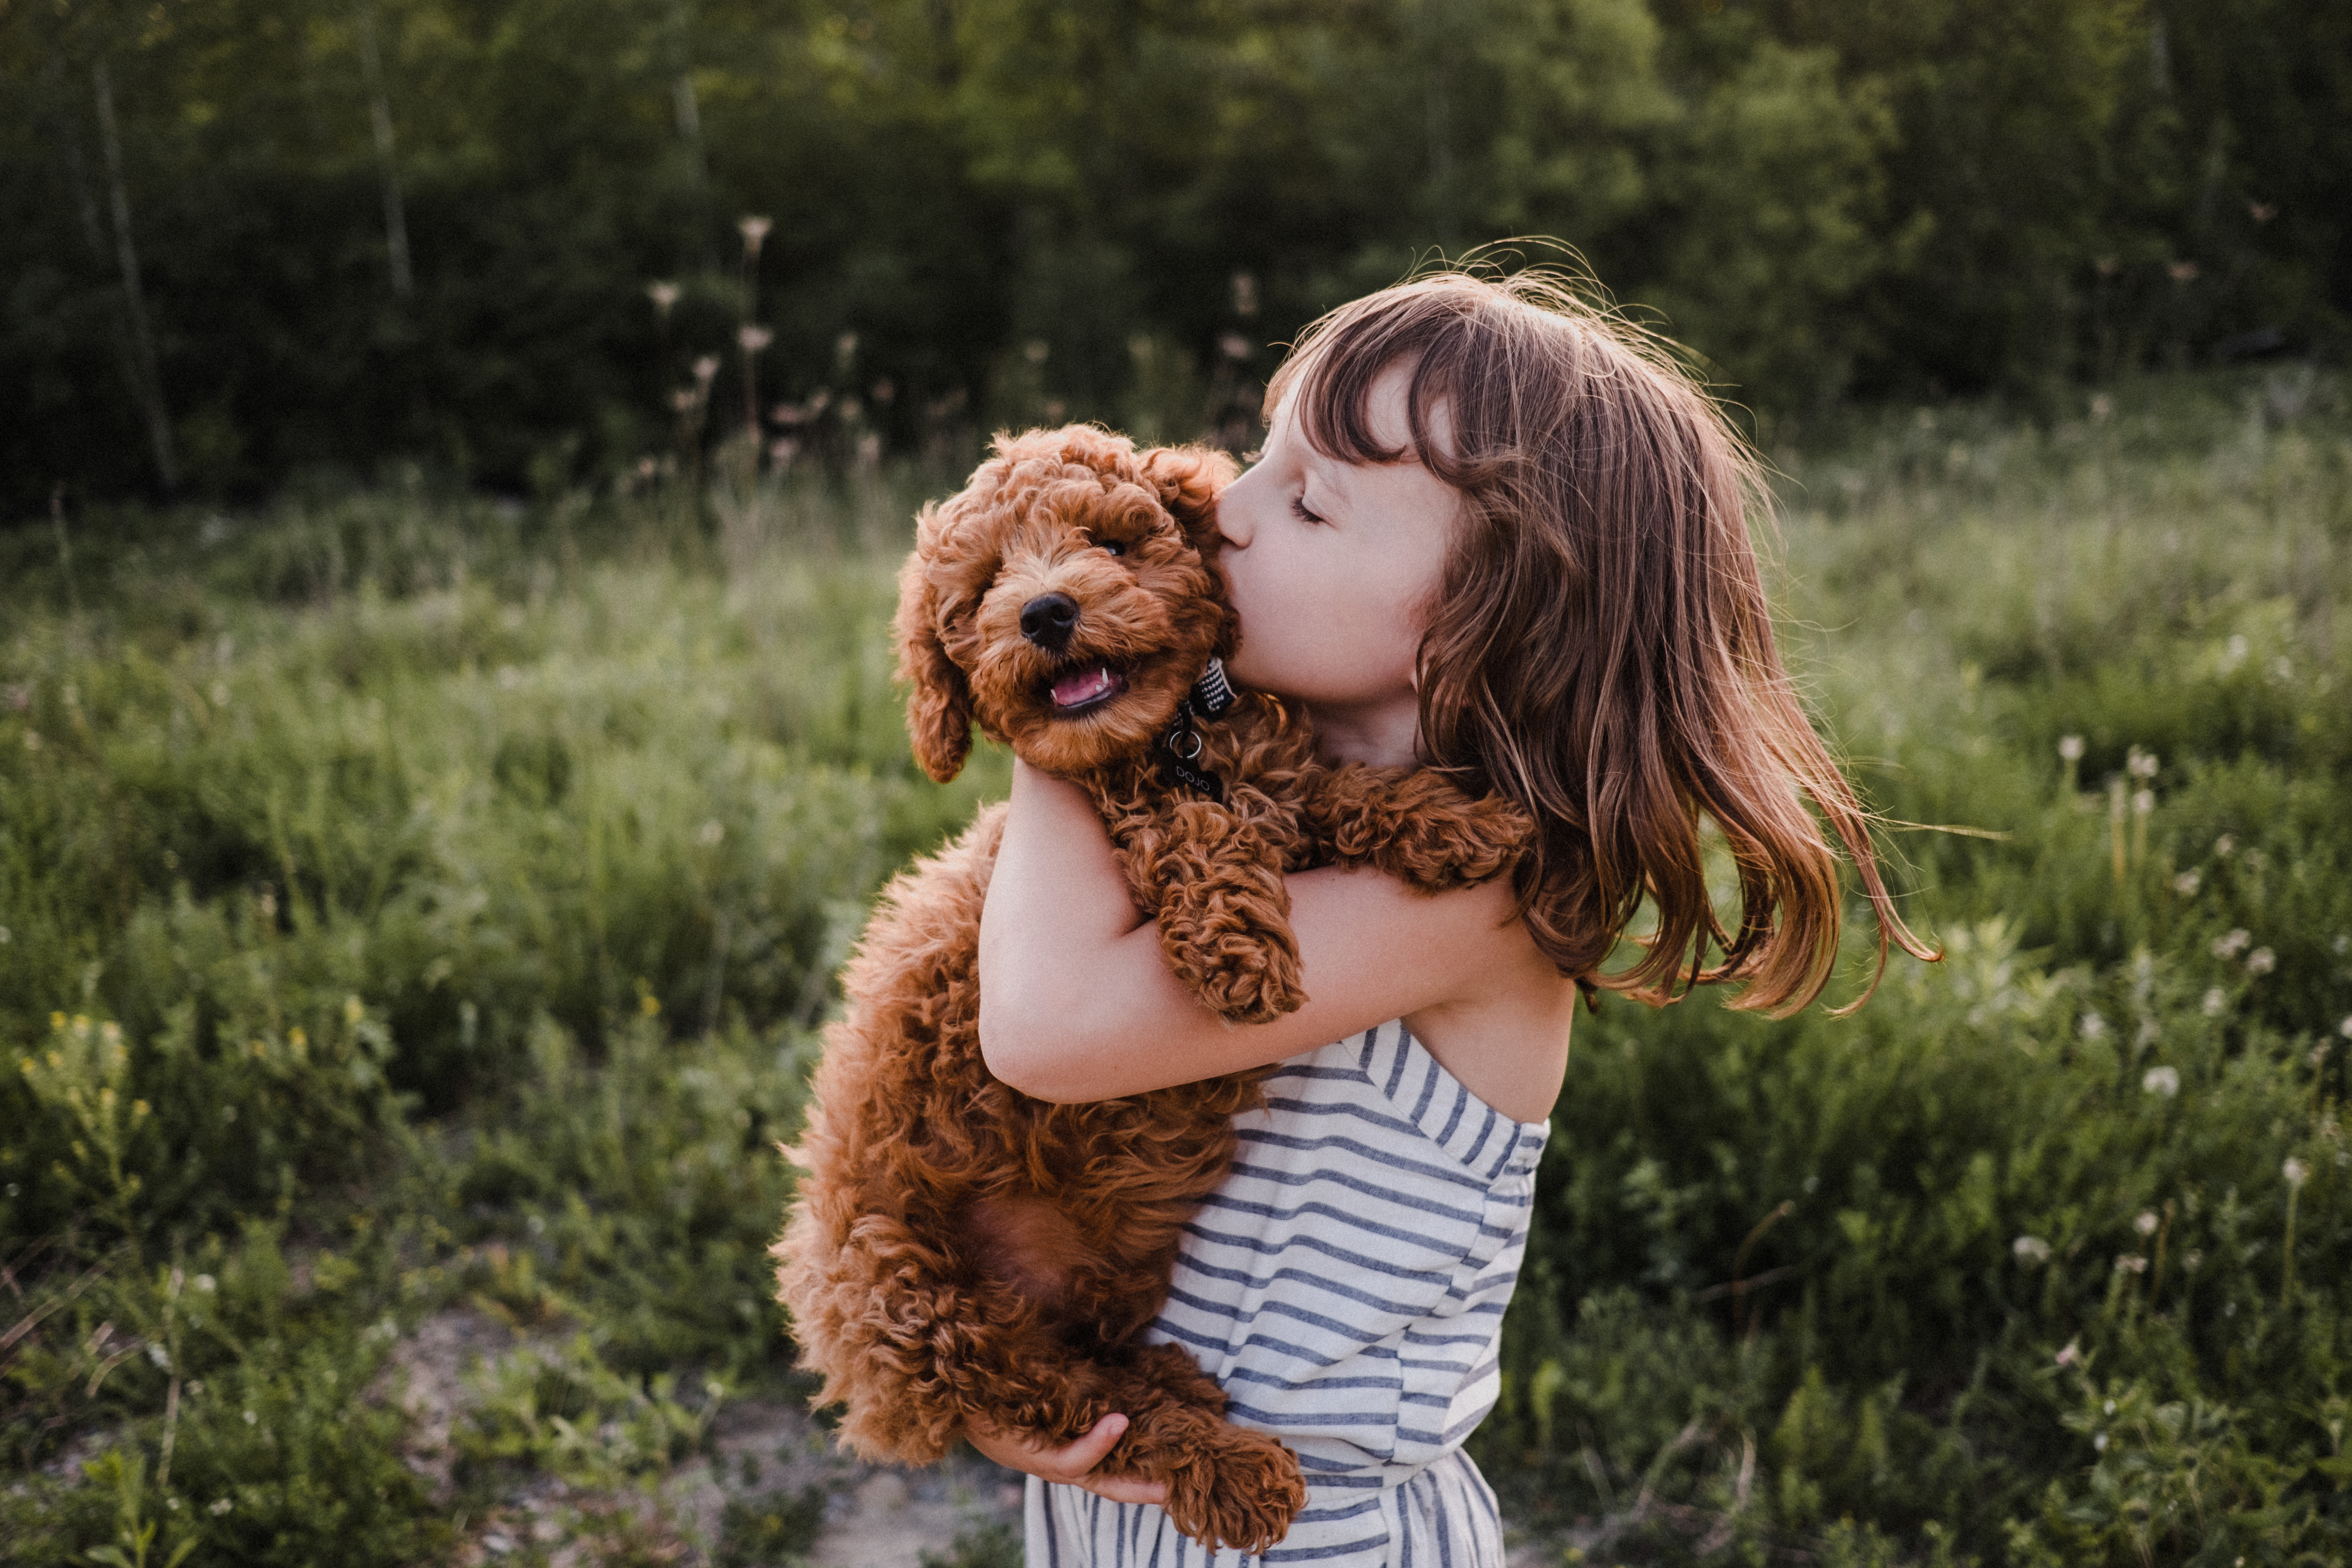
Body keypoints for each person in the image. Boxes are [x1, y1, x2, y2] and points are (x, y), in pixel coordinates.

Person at [968, 270, 1931, 1567]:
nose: (1218, 512)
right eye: (1258, 457)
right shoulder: (1255, 810)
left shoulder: (1470, 899)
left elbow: (1045, 1030)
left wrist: (1056, 700)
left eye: (1305, 500)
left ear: (1479, 622)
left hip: (1317, 1541)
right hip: (1133, 1503)